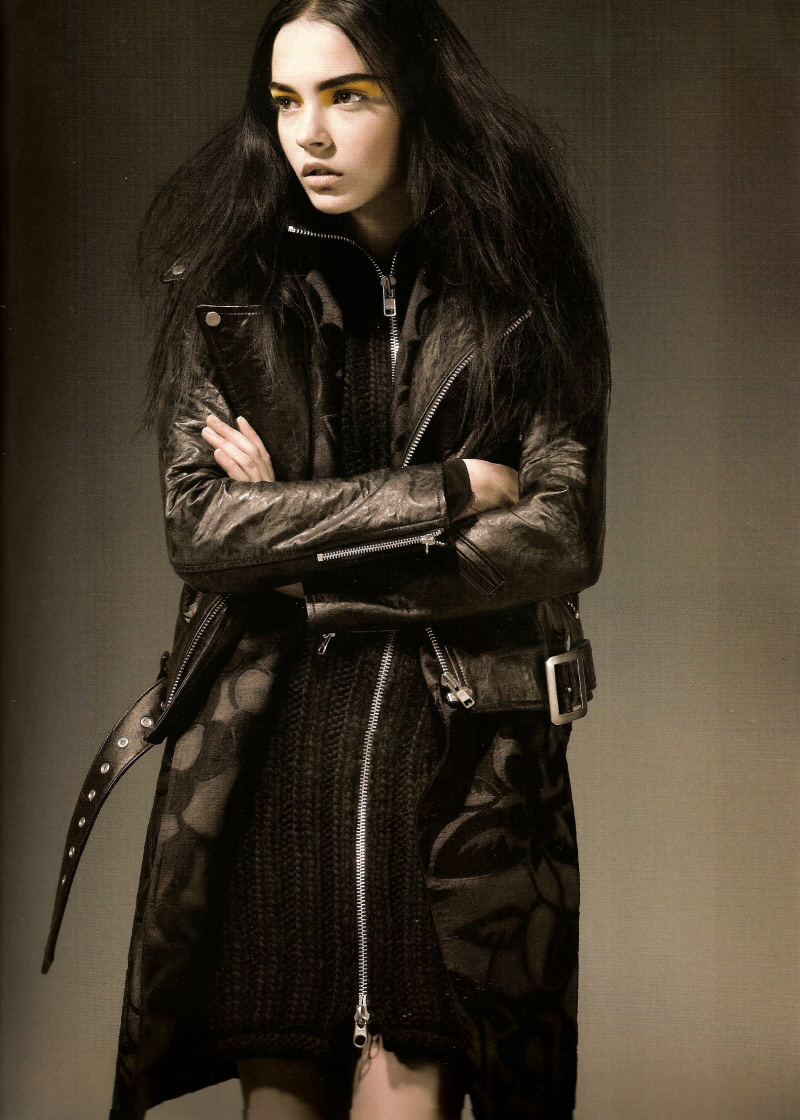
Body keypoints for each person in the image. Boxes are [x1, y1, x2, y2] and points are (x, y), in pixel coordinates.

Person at [43, 1, 609, 1117]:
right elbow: (203, 533)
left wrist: (295, 548)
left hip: (452, 783)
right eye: (285, 101)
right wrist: (446, 490)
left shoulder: (521, 301)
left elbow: (558, 534)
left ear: (418, 98)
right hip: (273, 769)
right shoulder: (231, 300)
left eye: (348, 95)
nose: (308, 133)